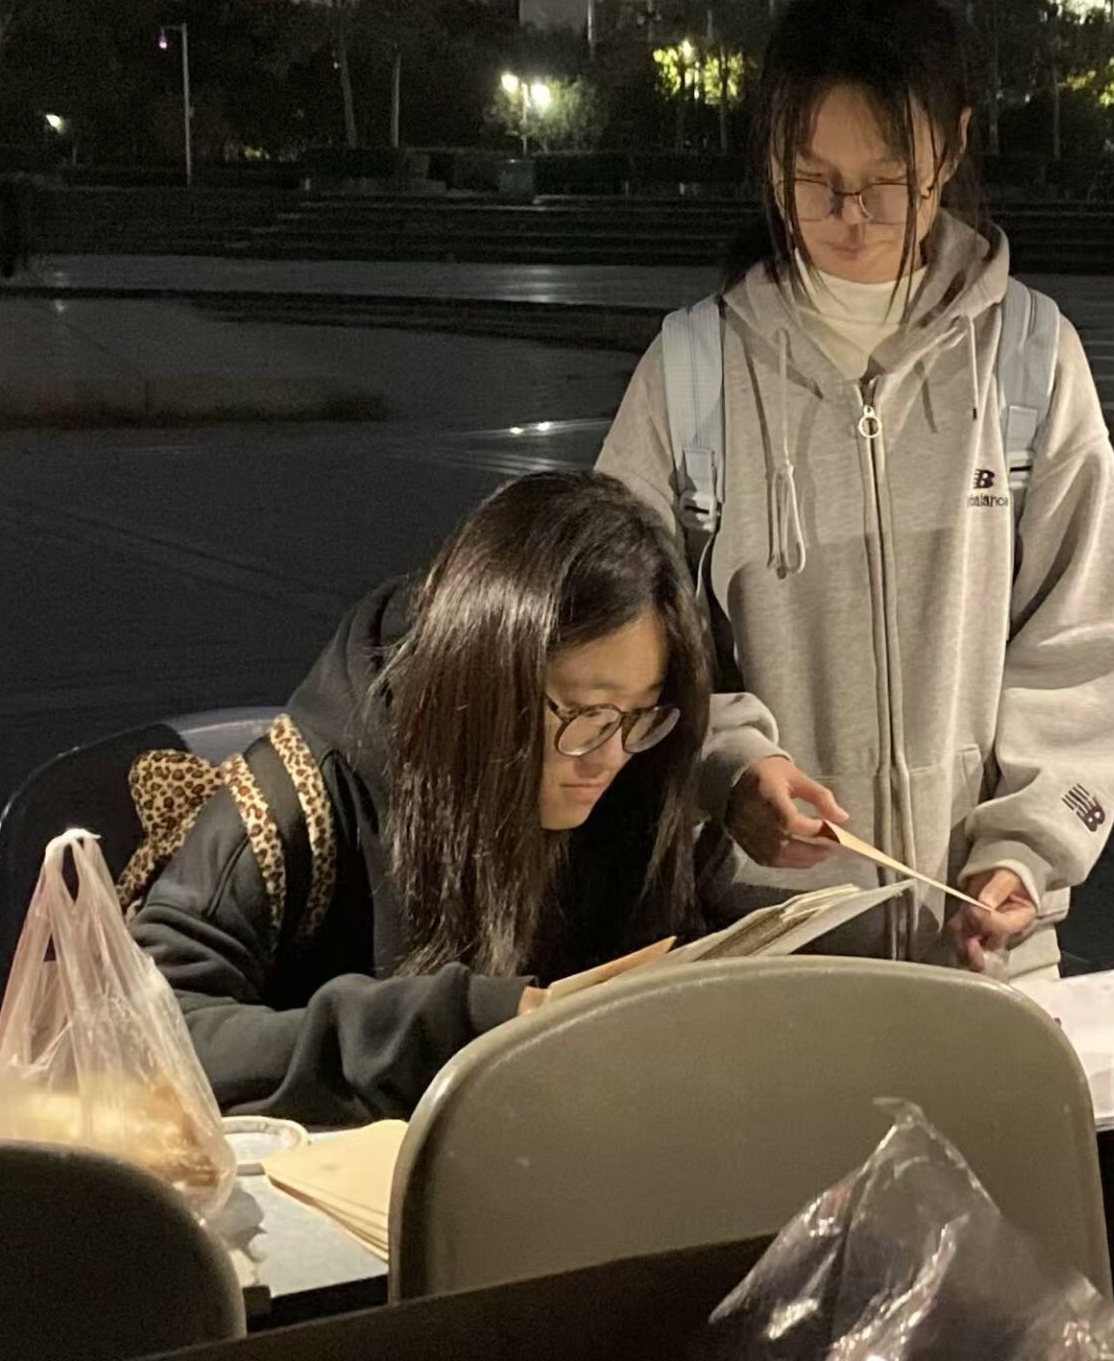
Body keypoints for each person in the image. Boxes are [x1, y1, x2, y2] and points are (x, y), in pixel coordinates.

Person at [596, 0, 1114, 981]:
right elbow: (616, 647)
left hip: (986, 963)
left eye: (888, 183)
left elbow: (1085, 642)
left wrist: (1026, 853)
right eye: (813, 181)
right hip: (762, 968)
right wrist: (730, 768)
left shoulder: (1028, 359)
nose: (849, 217)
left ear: (952, 149)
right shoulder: (691, 373)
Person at [131, 473, 711, 1123]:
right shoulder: (295, 797)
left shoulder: (638, 773)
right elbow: (150, 1035)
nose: (608, 756)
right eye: (584, 711)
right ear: (486, 680)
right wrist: (454, 1027)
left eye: (637, 713)